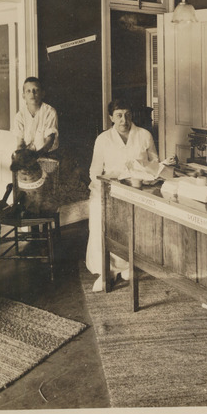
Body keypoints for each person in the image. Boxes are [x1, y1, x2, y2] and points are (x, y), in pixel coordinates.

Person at [86, 98, 158, 292]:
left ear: (132, 115)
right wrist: (108, 181)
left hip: (137, 189)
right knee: (99, 216)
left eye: (127, 115)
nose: (123, 120)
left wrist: (142, 169)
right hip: (109, 189)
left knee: (141, 220)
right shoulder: (103, 139)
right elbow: (94, 171)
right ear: (111, 117)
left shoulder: (144, 135)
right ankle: (105, 271)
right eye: (118, 116)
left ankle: (129, 265)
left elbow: (156, 164)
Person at [15, 77, 59, 157]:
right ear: (23, 96)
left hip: (47, 155)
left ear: (42, 94)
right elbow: (20, 142)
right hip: (28, 156)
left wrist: (36, 157)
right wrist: (19, 155)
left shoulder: (50, 112)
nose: (32, 93)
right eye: (28, 91)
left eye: (36, 90)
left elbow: (49, 141)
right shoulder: (19, 116)